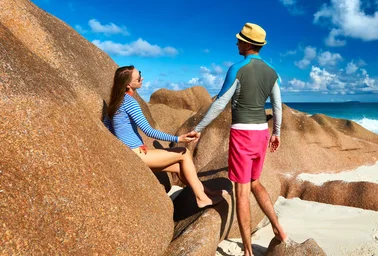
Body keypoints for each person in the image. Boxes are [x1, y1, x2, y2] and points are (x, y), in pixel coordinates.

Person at [194, 23, 287, 255]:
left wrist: (199, 128)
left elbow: (220, 103)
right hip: (261, 134)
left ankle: (247, 251)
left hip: (242, 135)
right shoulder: (272, 72)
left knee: (242, 191)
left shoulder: (237, 68)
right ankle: (279, 229)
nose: (236, 43)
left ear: (247, 43)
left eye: (239, 40)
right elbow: (277, 106)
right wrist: (276, 132)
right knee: (255, 182)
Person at [104, 65, 222, 208]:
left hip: (130, 153)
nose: (142, 78)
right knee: (184, 153)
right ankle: (202, 198)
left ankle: (204, 191)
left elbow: (107, 128)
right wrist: (179, 139)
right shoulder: (130, 103)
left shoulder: (116, 102)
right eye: (139, 76)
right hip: (137, 155)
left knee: (179, 167)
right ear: (128, 84)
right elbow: (149, 131)